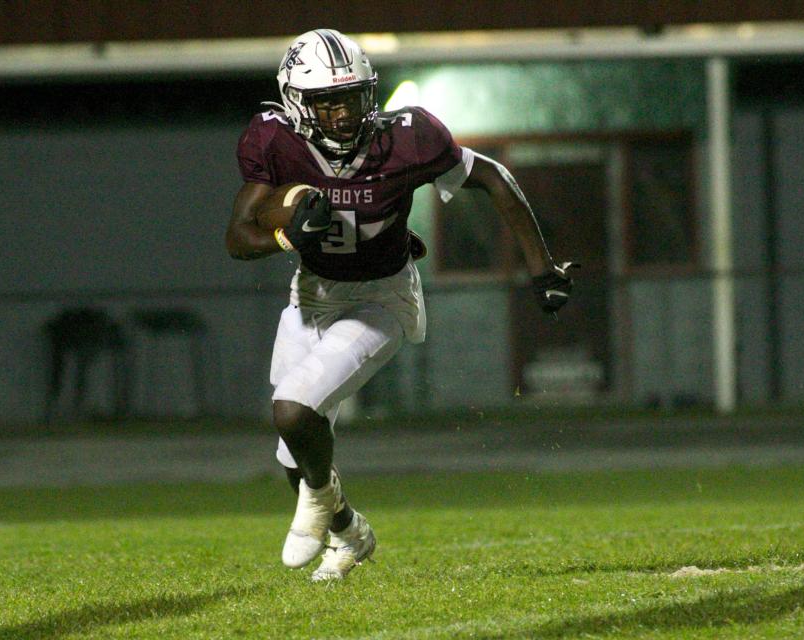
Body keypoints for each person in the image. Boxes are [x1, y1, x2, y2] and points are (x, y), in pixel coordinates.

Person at [226, 28, 574, 582]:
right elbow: (238, 236)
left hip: (382, 299)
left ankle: (320, 505)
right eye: (327, 101)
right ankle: (350, 533)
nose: (342, 114)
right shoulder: (276, 139)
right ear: (297, 104)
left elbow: (495, 178)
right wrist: (289, 237)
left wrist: (541, 269)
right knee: (294, 452)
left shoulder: (408, 137)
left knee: (292, 407)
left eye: (353, 97)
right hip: (312, 296)